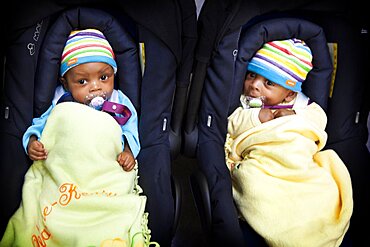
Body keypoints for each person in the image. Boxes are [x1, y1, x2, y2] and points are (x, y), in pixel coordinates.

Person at [225, 39, 353, 247]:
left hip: (296, 156)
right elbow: (231, 124)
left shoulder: (302, 104)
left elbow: (319, 120)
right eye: (251, 75)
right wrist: (257, 118)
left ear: (290, 92)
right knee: (252, 182)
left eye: (269, 83)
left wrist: (294, 115)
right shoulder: (246, 103)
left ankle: (311, 223)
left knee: (323, 188)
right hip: (263, 157)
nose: (254, 86)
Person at [23, 28, 140, 172]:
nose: (96, 87)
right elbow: (42, 123)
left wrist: (128, 152)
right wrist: (32, 141)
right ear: (65, 84)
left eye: (103, 78)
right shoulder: (61, 99)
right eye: (83, 81)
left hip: (107, 164)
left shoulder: (118, 100)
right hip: (68, 164)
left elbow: (131, 129)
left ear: (113, 75)